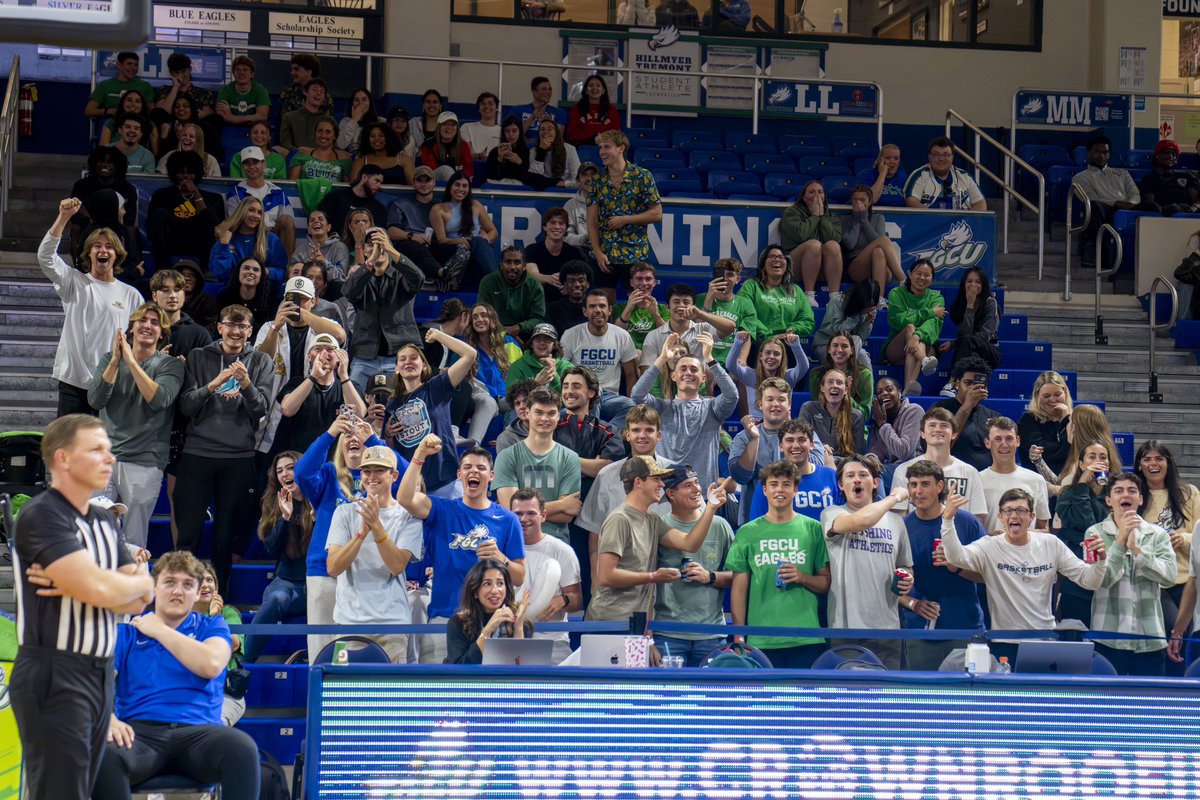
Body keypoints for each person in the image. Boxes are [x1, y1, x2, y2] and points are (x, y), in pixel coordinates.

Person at [11, 415, 154, 800]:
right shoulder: (42, 514)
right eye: (96, 449)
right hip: (53, 669)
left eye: (109, 449)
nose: (109, 458)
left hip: (100, 672)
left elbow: (140, 599)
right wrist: (118, 582)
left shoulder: (106, 520)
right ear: (63, 459)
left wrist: (129, 582)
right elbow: (98, 589)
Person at [90, 551, 259, 800]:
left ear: (197, 591)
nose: (178, 591)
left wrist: (159, 630)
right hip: (140, 735)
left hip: (199, 734)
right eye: (169, 582)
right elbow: (94, 680)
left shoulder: (212, 626)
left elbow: (211, 664)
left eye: (187, 584)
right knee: (102, 754)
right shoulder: (127, 633)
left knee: (243, 749)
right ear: (154, 587)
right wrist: (108, 717)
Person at [398, 435, 526, 664]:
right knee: (439, 693)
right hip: (444, 617)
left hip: (490, 621)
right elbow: (405, 498)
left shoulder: (507, 520)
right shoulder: (442, 509)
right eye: (467, 467)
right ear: (459, 475)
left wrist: (501, 558)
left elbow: (519, 577)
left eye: (480, 468)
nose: (473, 472)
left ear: (491, 476)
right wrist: (419, 455)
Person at [176, 304, 275, 595]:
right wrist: (212, 385)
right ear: (218, 327)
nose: (236, 331)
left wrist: (245, 384)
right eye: (230, 325)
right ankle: (182, 596)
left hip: (238, 458)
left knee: (224, 539)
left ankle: (219, 600)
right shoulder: (198, 357)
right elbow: (187, 405)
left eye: (243, 326)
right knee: (189, 534)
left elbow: (260, 410)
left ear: (250, 331)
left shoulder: (260, 362)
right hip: (197, 453)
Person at [942, 487, 1107, 662]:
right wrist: (947, 519)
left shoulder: (1050, 544)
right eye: (1008, 511)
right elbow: (955, 557)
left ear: (1032, 517)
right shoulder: (989, 546)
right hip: (1004, 641)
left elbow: (1090, 581)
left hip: (1045, 639)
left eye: (1021, 510)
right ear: (1000, 517)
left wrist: (1101, 561)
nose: (1014, 515)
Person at [295, 414, 394, 658]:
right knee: (321, 650)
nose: (353, 438)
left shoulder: (381, 482)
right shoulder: (328, 476)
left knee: (357, 650)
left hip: (368, 573)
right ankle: (318, 695)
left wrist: (372, 439)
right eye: (347, 434)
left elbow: (400, 472)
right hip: (325, 571)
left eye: (359, 435)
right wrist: (328, 435)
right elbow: (302, 473)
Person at [586, 456, 730, 622]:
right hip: (609, 622)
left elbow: (689, 544)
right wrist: (652, 577)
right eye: (656, 479)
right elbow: (605, 576)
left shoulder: (652, 519)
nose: (662, 485)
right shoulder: (619, 519)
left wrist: (711, 508)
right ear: (639, 482)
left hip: (635, 622)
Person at [87, 303, 185, 548]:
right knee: (97, 531)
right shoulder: (110, 359)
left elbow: (159, 400)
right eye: (142, 321)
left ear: (162, 333)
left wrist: (131, 361)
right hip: (106, 458)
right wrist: (117, 361)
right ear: (131, 328)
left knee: (133, 539)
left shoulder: (169, 365)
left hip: (144, 459)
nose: (147, 326)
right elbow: (95, 399)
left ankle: (130, 586)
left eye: (155, 322)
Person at [41, 197, 145, 417]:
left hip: (112, 382)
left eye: (109, 246)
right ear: (88, 252)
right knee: (71, 445)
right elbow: (45, 257)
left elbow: (140, 341)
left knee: (103, 447)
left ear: (117, 254)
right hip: (73, 381)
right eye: (96, 246)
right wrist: (64, 217)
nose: (103, 250)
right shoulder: (74, 282)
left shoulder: (132, 295)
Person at [727, 460, 831, 668]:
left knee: (804, 700)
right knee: (764, 700)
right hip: (761, 638)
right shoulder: (748, 532)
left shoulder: (813, 528)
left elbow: (825, 583)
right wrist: (739, 635)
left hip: (806, 637)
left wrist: (802, 577)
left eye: (786, 484)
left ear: (795, 489)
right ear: (764, 490)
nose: (780, 490)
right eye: (774, 484)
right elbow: (738, 589)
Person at [326, 446, 423, 663]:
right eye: (366, 471)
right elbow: (333, 567)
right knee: (344, 693)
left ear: (394, 475)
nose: (371, 477)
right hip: (348, 623)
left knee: (391, 694)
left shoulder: (408, 517)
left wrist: (376, 526)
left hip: (392, 624)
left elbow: (397, 565)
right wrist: (361, 533)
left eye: (379, 470)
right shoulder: (344, 513)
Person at [820, 455, 914, 669]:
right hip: (846, 628)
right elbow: (861, 521)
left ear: (875, 482)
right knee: (848, 697)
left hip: (887, 629)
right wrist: (894, 498)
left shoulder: (897, 522)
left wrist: (907, 578)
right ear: (841, 485)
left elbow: (905, 566)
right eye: (850, 476)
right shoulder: (832, 514)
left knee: (886, 698)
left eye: (863, 475)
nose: (857, 480)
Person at [896, 460, 988, 670]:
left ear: (939, 487)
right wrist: (912, 603)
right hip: (920, 629)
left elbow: (988, 575)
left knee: (967, 698)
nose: (918, 491)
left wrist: (956, 566)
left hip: (965, 626)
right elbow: (889, 581)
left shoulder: (967, 522)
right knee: (923, 697)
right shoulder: (901, 527)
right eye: (913, 485)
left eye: (925, 484)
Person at [1086, 472, 1177, 676]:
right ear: (1109, 500)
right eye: (1118, 491)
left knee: (1150, 706)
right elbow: (1102, 580)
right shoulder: (1095, 533)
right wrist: (1119, 543)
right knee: (1106, 705)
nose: (1125, 495)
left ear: (1141, 499)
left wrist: (1136, 549)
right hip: (1107, 638)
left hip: (1150, 639)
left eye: (1132, 491)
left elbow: (1169, 576)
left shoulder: (1157, 535)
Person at [632, 332, 738, 488]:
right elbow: (637, 395)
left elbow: (732, 395)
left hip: (702, 496)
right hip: (667, 494)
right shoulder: (662, 408)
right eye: (683, 369)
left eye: (694, 369)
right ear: (674, 376)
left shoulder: (712, 409)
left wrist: (709, 358)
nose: (688, 373)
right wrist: (662, 359)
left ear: (703, 379)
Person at [653, 466, 736, 666]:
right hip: (668, 633)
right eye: (687, 485)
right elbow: (647, 584)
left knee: (711, 695)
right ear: (671, 494)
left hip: (711, 633)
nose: (697, 490)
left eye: (697, 483)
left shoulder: (720, 525)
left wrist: (711, 576)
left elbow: (739, 576)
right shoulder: (659, 526)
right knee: (668, 695)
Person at [383, 329, 478, 497]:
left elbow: (469, 355)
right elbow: (393, 453)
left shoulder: (436, 387)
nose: (408, 362)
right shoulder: (391, 404)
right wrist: (389, 437)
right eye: (402, 359)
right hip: (414, 486)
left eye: (414, 358)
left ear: (424, 366)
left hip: (445, 479)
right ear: (397, 368)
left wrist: (439, 336)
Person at [494, 386, 583, 543]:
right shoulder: (507, 457)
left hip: (556, 544)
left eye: (551, 413)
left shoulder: (570, 458)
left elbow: (567, 514)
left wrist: (523, 510)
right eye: (539, 412)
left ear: (558, 417)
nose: (544, 418)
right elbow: (509, 509)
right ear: (527, 413)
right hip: (516, 544)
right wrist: (561, 504)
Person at [245, 451, 311, 663]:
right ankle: (243, 662)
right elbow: (272, 549)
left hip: (319, 581)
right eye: (279, 470)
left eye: (290, 467)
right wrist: (285, 517)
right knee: (275, 599)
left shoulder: (320, 498)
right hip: (288, 582)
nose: (284, 474)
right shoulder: (275, 502)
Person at [1135, 440, 1200, 649]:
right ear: (1139, 465)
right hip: (1154, 580)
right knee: (1172, 628)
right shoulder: (1135, 497)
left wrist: (1184, 539)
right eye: (1147, 459)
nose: (1153, 463)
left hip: (1186, 578)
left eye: (1159, 458)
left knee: (1186, 637)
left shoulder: (1189, 493)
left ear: (1169, 463)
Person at [343, 228, 426, 390]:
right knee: (352, 405)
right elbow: (348, 291)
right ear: (364, 251)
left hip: (400, 357)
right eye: (370, 245)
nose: (377, 247)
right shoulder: (361, 278)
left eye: (380, 242)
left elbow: (419, 279)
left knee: (402, 408)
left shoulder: (401, 276)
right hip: (364, 357)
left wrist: (390, 249)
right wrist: (372, 260)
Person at [510, 489, 582, 664]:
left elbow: (577, 600)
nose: (523, 519)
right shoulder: (501, 551)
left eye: (531, 513)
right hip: (508, 637)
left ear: (543, 516)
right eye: (518, 514)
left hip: (553, 641)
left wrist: (563, 600)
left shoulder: (562, 551)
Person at [587, 130, 662, 290]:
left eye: (607, 147)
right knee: (604, 304)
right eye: (600, 148)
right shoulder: (596, 181)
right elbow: (592, 221)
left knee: (637, 303)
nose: (602, 152)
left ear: (621, 148)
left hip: (634, 253)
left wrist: (625, 219)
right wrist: (598, 253)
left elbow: (657, 213)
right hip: (605, 254)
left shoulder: (642, 176)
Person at [890, 407, 988, 524]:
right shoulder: (903, 471)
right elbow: (898, 518)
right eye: (932, 425)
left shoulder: (970, 472)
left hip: (958, 539)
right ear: (922, 433)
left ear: (954, 434)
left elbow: (978, 517)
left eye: (944, 426)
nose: (937, 429)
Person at [560, 290, 639, 431]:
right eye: (592, 306)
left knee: (631, 407)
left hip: (610, 397)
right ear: (585, 311)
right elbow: (561, 371)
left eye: (602, 306)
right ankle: (595, 437)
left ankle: (602, 433)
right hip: (580, 393)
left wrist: (631, 397)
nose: (598, 310)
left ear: (609, 310)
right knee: (593, 393)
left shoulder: (622, 336)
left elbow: (630, 374)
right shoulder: (571, 335)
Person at [737, 412, 835, 526]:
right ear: (781, 446)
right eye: (789, 440)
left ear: (812, 445)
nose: (796, 445)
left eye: (802, 439)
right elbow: (757, 527)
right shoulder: (768, 480)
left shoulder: (831, 477)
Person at [276, 332, 364, 455]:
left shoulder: (349, 385)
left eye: (330, 350)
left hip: (336, 458)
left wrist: (344, 375)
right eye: (318, 349)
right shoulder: (297, 383)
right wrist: (313, 377)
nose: (324, 354)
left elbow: (360, 415)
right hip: (302, 455)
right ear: (309, 357)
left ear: (339, 357)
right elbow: (287, 410)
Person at [147, 150, 226, 270]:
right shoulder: (161, 195)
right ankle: (163, 269)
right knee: (160, 214)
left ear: (197, 173)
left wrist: (196, 194)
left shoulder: (213, 198)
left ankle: (207, 270)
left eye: (190, 172)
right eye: (181, 172)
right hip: (171, 241)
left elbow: (216, 226)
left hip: (198, 242)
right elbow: (151, 227)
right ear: (173, 173)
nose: (185, 177)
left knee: (207, 219)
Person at [1071, 134, 1141, 269]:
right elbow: (1090, 198)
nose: (1102, 155)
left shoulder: (1122, 173)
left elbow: (1135, 194)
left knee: (1152, 207)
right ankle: (1097, 253)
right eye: (1097, 152)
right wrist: (1116, 203)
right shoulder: (1080, 178)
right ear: (1089, 153)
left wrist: (1130, 204)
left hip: (1127, 207)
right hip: (1103, 209)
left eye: (1105, 152)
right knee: (1094, 207)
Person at [445, 560, 533, 664]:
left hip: (504, 680)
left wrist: (518, 627)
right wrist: (488, 629)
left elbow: (522, 670)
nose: (495, 590)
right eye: (487, 584)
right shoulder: (458, 623)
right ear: (475, 591)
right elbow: (460, 669)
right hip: (474, 680)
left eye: (500, 583)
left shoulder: (520, 620)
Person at [639, 283, 736, 377]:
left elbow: (730, 327)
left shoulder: (703, 330)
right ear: (667, 307)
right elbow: (646, 371)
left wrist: (701, 314)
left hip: (695, 386)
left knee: (709, 372)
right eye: (676, 302)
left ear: (694, 306)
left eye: (686, 302)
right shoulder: (654, 335)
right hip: (663, 388)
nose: (681, 306)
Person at [980, 416, 1052, 534]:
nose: (1004, 444)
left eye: (1009, 438)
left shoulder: (1036, 480)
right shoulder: (977, 480)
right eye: (998, 439)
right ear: (987, 443)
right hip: (989, 551)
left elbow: (1045, 529)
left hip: (1027, 551)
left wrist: (1020, 535)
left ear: (1017, 441)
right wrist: (993, 537)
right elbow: (971, 531)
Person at [883, 258, 944, 396]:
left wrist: (917, 336)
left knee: (917, 339)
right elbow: (899, 320)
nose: (922, 278)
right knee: (910, 327)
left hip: (924, 347)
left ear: (932, 279)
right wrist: (929, 312)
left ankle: (907, 389)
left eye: (927, 275)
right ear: (910, 274)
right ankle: (923, 360)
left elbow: (933, 324)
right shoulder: (896, 293)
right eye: (918, 273)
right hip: (897, 350)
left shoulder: (936, 298)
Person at [462, 302, 521, 444]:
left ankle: (512, 446)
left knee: (521, 401)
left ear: (492, 319)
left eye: (484, 315)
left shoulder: (509, 342)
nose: (479, 320)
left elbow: (521, 373)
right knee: (488, 401)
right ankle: (473, 444)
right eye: (475, 317)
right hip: (480, 397)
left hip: (507, 397)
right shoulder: (466, 347)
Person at [429, 171, 499, 290]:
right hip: (454, 249)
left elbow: (493, 231)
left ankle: (494, 283)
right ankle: (497, 283)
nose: (461, 189)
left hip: (476, 246)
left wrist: (486, 239)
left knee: (479, 241)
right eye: (457, 185)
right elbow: (441, 240)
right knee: (476, 242)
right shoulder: (438, 209)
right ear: (450, 186)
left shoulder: (476, 205)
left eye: (465, 186)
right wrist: (459, 241)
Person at [225, 146, 296, 257]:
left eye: (255, 162)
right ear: (243, 167)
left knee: (287, 220)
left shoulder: (277, 191)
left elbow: (288, 224)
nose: (251, 166)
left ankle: (285, 268)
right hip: (248, 239)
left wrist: (268, 231)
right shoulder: (236, 193)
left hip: (273, 239)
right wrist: (262, 229)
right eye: (247, 163)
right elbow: (233, 224)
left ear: (264, 165)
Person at [781, 179, 843, 307]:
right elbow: (800, 235)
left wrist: (822, 218)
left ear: (824, 197)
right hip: (795, 266)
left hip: (822, 268)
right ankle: (808, 295)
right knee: (814, 245)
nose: (816, 196)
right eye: (811, 192)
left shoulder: (831, 216)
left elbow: (835, 239)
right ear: (804, 197)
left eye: (820, 192)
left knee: (833, 245)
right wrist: (814, 216)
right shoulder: (791, 212)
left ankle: (834, 298)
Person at [841, 185, 905, 306]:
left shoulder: (878, 218)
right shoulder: (845, 219)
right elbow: (850, 244)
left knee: (879, 251)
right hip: (857, 268)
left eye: (862, 200)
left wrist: (864, 221)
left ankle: (878, 299)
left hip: (882, 269)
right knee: (884, 241)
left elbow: (876, 240)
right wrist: (857, 220)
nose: (858, 202)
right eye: (855, 199)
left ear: (869, 202)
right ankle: (903, 280)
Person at [738, 244, 816, 340]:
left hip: (788, 341)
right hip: (758, 342)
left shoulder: (796, 290)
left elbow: (808, 321)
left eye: (781, 257)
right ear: (763, 265)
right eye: (771, 256)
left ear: (787, 265)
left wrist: (793, 329)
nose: (777, 259)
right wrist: (769, 335)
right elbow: (744, 315)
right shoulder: (751, 286)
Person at [726, 331, 808, 420]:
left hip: (782, 429)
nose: (771, 356)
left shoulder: (788, 377)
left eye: (776, 354)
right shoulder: (749, 375)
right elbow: (730, 365)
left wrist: (796, 346)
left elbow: (804, 367)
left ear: (782, 358)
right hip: (756, 430)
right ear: (761, 356)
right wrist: (738, 343)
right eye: (768, 353)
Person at [210, 196, 288, 285]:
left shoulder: (271, 239)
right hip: (233, 290)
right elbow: (219, 274)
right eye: (251, 210)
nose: (255, 215)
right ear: (241, 212)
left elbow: (282, 273)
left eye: (259, 213)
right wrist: (223, 245)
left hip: (263, 291)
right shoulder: (226, 239)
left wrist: (265, 271)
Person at [479, 246, 547, 340]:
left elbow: (538, 318)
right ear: (501, 265)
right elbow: (483, 313)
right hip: (493, 333)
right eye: (508, 262)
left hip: (526, 335)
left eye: (517, 262)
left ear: (524, 266)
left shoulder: (534, 284)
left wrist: (518, 328)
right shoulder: (488, 281)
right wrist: (502, 331)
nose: (512, 267)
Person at [699, 258, 758, 366]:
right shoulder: (699, 299)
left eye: (730, 274)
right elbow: (697, 330)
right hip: (703, 361)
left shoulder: (745, 304)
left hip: (731, 363)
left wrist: (742, 361)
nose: (725, 279)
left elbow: (746, 336)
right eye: (721, 275)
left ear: (738, 279)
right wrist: (709, 298)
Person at [798, 368, 866, 461]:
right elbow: (800, 443)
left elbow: (859, 456)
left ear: (846, 390)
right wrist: (821, 451)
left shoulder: (856, 416)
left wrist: (830, 459)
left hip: (844, 469)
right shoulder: (809, 409)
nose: (835, 386)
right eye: (830, 382)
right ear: (822, 388)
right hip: (814, 464)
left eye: (839, 383)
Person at [904, 136, 987, 211]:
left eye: (945, 155)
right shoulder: (919, 175)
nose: (941, 159)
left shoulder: (965, 177)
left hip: (960, 223)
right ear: (929, 156)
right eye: (936, 155)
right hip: (929, 225)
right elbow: (911, 201)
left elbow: (980, 203)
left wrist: (969, 221)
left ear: (952, 157)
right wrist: (936, 219)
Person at [1017, 370, 1074, 475]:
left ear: (1065, 393)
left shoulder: (1075, 420)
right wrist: (1067, 446)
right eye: (1046, 396)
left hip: (1070, 482)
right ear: (1037, 397)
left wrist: (1067, 418)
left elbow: (1078, 454)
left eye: (1057, 394)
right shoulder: (1028, 421)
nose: (1052, 400)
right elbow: (1049, 456)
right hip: (1037, 481)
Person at [524, 207, 587, 302]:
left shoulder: (575, 253)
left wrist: (570, 288)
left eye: (561, 223)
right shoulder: (532, 250)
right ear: (545, 227)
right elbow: (532, 274)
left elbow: (582, 280)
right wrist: (549, 279)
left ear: (566, 228)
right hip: (538, 300)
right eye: (553, 223)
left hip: (566, 303)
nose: (557, 227)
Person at [813, 277, 876, 369]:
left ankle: (865, 383)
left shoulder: (869, 308)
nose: (867, 307)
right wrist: (857, 314)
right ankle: (842, 377)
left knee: (863, 356)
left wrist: (867, 324)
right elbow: (838, 332)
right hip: (825, 345)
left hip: (850, 349)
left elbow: (862, 337)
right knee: (855, 339)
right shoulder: (837, 301)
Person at [808, 332, 873, 420]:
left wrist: (846, 396)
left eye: (844, 346)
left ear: (852, 350)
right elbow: (817, 410)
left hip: (853, 427)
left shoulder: (864, 375)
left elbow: (864, 415)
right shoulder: (817, 374)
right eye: (835, 345)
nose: (839, 350)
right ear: (829, 349)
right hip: (824, 427)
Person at [149, 268, 212, 358]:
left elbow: (207, 369)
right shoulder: (143, 329)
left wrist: (186, 369)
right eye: (165, 290)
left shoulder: (200, 334)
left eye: (177, 290)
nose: (172, 296)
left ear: (184, 295)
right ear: (154, 296)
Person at [868, 377, 922, 473]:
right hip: (893, 468)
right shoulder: (879, 416)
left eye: (889, 389)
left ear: (899, 392)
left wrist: (883, 425)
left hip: (914, 468)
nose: (884, 393)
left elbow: (904, 452)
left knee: (874, 475)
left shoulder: (914, 411)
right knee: (868, 470)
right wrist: (872, 458)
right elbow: (877, 449)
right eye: (879, 392)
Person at [613, 262, 667, 350]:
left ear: (654, 283)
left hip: (654, 354)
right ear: (631, 282)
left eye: (648, 279)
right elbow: (615, 335)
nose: (644, 283)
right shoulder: (619, 307)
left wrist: (656, 315)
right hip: (627, 354)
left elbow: (667, 337)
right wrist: (628, 309)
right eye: (639, 279)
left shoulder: (663, 308)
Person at [84, 51, 153, 120]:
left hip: (136, 125)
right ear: (119, 65)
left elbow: (152, 112)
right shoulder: (105, 85)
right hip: (111, 125)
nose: (133, 68)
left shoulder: (144, 86)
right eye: (129, 64)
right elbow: (88, 111)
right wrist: (109, 111)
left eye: (136, 65)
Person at [154, 52, 215, 129]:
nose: (180, 75)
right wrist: (175, 87)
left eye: (183, 71)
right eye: (176, 72)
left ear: (190, 70)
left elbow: (213, 117)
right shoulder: (163, 91)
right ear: (171, 73)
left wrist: (206, 114)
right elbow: (162, 113)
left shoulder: (204, 94)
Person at [1138, 139, 1200, 215]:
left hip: (1188, 217)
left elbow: (1197, 199)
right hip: (1160, 218)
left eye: (1173, 154)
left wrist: (1192, 209)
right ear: (1157, 156)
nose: (1170, 156)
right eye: (1166, 153)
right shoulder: (1148, 179)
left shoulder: (1186, 177)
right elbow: (1150, 204)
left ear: (1176, 160)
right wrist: (1171, 208)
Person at [215, 256, 275, 328]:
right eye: (246, 268)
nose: (250, 272)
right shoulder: (224, 297)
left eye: (256, 270)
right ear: (238, 273)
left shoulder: (269, 301)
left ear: (261, 277)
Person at [349, 121, 414, 185]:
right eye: (372, 136)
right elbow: (354, 186)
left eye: (381, 135)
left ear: (389, 137)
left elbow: (413, 185)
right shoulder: (361, 160)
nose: (377, 139)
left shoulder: (405, 159)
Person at [288, 118, 352, 182]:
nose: (323, 135)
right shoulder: (302, 154)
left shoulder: (344, 158)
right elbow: (292, 185)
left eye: (328, 132)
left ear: (334, 136)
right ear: (315, 133)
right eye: (320, 131)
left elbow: (347, 187)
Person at [215, 55, 270, 130]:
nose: (241, 72)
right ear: (233, 73)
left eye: (245, 70)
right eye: (237, 69)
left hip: (254, 129)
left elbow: (262, 118)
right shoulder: (225, 91)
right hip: (230, 129)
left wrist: (231, 117)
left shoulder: (261, 90)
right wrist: (251, 118)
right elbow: (221, 116)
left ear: (252, 74)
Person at [292, 208, 350, 279]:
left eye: (320, 219)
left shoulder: (339, 247)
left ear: (328, 227)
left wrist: (323, 261)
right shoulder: (300, 250)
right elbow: (293, 275)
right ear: (308, 229)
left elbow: (341, 277)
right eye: (312, 220)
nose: (316, 221)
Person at [566, 74, 621, 147]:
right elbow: (571, 135)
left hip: (607, 149)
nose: (594, 88)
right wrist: (589, 138)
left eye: (598, 85)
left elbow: (616, 135)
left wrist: (600, 139)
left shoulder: (612, 111)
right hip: (582, 148)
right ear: (586, 90)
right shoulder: (576, 110)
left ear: (603, 90)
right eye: (591, 85)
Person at [280, 78, 335, 151]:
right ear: (305, 92)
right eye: (314, 90)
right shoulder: (290, 117)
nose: (319, 93)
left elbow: (334, 146)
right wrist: (301, 153)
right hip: (297, 157)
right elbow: (285, 144)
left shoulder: (329, 120)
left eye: (322, 92)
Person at [513, 75, 568, 145]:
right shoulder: (518, 110)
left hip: (549, 149)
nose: (548, 92)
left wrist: (550, 123)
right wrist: (532, 118)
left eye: (550, 89)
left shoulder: (559, 112)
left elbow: (558, 139)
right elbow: (513, 135)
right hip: (525, 148)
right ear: (534, 91)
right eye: (544, 89)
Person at [421, 111, 475, 182]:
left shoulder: (463, 145)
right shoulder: (428, 145)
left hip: (460, 180)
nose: (449, 127)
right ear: (438, 127)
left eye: (453, 125)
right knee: (445, 170)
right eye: (445, 124)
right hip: (433, 180)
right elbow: (430, 170)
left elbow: (468, 169)